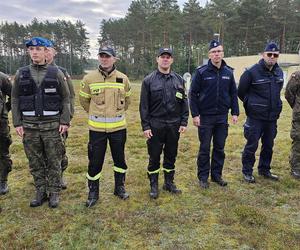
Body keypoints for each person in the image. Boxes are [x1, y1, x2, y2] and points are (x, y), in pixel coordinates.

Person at [11, 37, 71, 208]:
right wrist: (17, 123)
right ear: (29, 52)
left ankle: (54, 192)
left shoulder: (56, 73)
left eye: (38, 49)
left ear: (46, 51)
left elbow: (66, 98)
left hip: (52, 126)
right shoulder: (21, 73)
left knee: (54, 160)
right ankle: (40, 191)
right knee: (35, 161)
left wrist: (65, 121)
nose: (35, 52)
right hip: (29, 127)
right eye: (31, 49)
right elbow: (15, 99)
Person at [79, 46, 131, 207]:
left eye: (107, 56)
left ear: (114, 59)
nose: (104, 59)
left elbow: (127, 102)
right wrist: (97, 113)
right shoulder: (89, 79)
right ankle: (93, 192)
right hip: (97, 130)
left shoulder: (123, 79)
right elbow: (84, 101)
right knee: (95, 162)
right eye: (101, 56)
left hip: (118, 129)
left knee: (120, 160)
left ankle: (119, 188)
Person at [139, 48, 189, 199]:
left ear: (172, 60)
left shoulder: (179, 80)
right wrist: (146, 126)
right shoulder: (148, 80)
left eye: (168, 57)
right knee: (154, 156)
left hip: (174, 125)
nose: (165, 59)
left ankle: (169, 183)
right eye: (163, 57)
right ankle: (153, 185)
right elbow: (143, 106)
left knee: (171, 155)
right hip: (155, 124)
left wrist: (184, 121)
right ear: (157, 59)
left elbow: (184, 102)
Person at [189, 40, 239, 189]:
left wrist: (235, 112)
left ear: (223, 53)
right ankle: (203, 177)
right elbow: (193, 94)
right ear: (209, 54)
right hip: (205, 117)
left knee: (219, 148)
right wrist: (195, 114)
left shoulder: (228, 72)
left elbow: (233, 93)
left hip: (222, 117)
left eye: (219, 51)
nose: (216, 54)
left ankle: (217, 175)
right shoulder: (201, 72)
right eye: (213, 52)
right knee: (204, 148)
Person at [238, 42, 283, 183]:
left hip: (272, 117)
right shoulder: (251, 72)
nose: (272, 57)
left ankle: (264, 169)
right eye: (269, 54)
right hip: (256, 117)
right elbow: (241, 92)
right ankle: (247, 171)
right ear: (263, 55)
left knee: (268, 145)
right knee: (252, 145)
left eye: (275, 55)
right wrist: (251, 105)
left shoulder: (279, 72)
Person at [45, 39, 75, 189]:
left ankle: (59, 177)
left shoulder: (62, 72)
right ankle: (44, 179)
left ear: (53, 53)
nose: (45, 53)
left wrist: (67, 118)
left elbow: (70, 96)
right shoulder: (29, 71)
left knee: (59, 150)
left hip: (58, 120)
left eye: (48, 50)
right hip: (38, 121)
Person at [285, 71, 300, 180]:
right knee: (298, 141)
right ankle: (296, 168)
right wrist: (297, 107)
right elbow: (289, 93)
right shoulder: (297, 75)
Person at [0, 72, 12, 195]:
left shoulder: (2, 78)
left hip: (0, 124)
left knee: (3, 153)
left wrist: (4, 110)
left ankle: (2, 181)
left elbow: (14, 96)